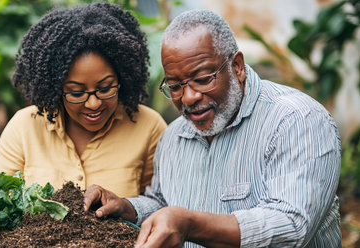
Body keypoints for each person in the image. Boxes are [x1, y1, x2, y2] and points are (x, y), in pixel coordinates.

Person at [83, 9, 341, 248]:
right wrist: (127, 207)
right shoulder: (174, 136)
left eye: (203, 79)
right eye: (175, 86)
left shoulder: (296, 120)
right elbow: (164, 202)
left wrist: (190, 225)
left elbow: (292, 226)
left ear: (237, 67)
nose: (188, 97)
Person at [0, 2, 167, 198]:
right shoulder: (24, 128)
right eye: (76, 93)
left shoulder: (149, 128)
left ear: (122, 78)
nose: (93, 104)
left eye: (105, 88)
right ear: (57, 87)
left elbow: (158, 205)